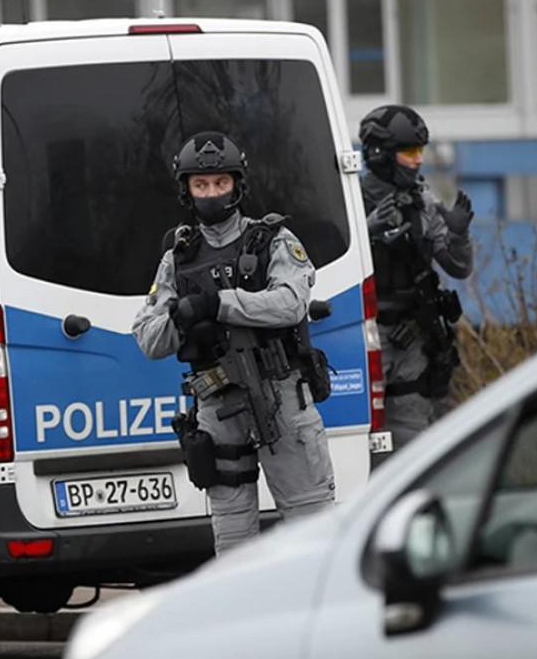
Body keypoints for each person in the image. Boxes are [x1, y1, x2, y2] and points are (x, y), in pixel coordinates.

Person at [133, 132, 335, 555]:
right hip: (217, 404)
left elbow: (291, 303)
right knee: (232, 542)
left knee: (311, 530)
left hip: (278, 395)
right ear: (186, 190)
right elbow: (149, 339)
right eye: (200, 185)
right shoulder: (178, 257)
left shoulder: (272, 240)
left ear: (237, 185)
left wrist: (219, 304)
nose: (211, 194)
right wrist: (183, 316)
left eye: (220, 183)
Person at [358, 105, 472, 467]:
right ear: (379, 154)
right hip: (365, 340)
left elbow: (458, 266)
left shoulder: (423, 201)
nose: (418, 160)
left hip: (413, 344)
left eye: (420, 152)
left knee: (414, 444)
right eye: (409, 152)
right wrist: (368, 231)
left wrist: (458, 232)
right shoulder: (349, 200)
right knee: (364, 444)